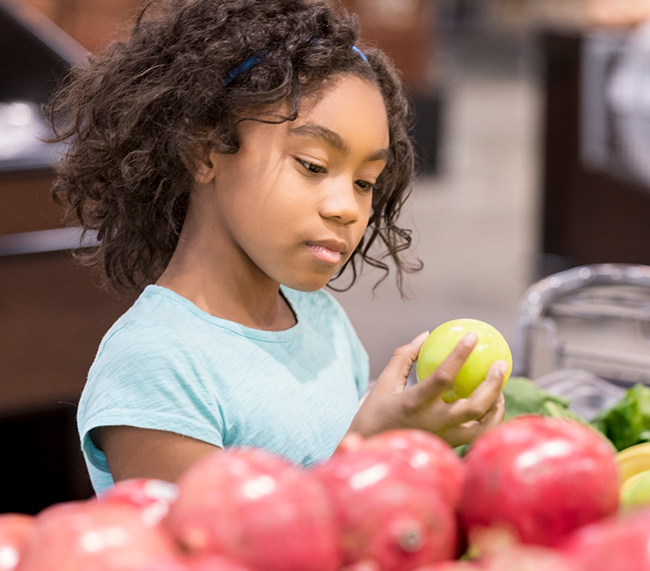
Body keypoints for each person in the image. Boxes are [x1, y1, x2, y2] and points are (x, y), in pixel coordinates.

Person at [48, 0, 506, 493]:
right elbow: (216, 553)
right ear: (205, 152)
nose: (346, 208)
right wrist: (370, 445)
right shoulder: (157, 364)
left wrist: (419, 441)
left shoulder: (322, 320)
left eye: (365, 182)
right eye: (312, 165)